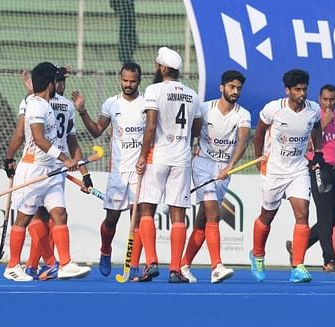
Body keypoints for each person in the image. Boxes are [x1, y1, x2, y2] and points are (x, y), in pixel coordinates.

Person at [3, 62, 91, 281]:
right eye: (55, 80)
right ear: (51, 83)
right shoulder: (35, 105)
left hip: (53, 171)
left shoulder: (48, 103)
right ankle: (12, 266)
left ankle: (66, 263)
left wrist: (69, 163)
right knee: (23, 219)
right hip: (33, 170)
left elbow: (65, 140)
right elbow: (39, 139)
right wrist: (65, 158)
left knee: (59, 214)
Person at [72, 61, 146, 279]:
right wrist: (83, 111)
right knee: (111, 219)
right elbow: (96, 131)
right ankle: (106, 251)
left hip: (140, 172)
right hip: (118, 172)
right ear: (120, 79)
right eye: (125, 80)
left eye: (132, 81)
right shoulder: (111, 103)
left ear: (139, 81)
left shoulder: (146, 104)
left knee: (138, 219)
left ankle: (133, 264)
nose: (128, 85)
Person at [250, 69, 323, 283]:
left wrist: (317, 152)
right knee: (267, 216)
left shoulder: (314, 110)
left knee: (303, 213)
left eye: (304, 89)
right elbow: (260, 132)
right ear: (288, 91)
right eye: (297, 90)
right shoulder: (273, 109)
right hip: (273, 169)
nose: (302, 93)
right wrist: (258, 157)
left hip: (298, 168)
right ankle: (257, 255)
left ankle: (298, 266)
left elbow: (317, 129)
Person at [135, 47, 202, 283]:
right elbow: (196, 128)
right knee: (178, 215)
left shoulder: (154, 90)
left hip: (158, 155)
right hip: (182, 157)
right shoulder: (192, 94)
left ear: (162, 68)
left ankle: (151, 261)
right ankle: (175, 269)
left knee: (147, 209)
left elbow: (151, 126)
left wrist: (142, 155)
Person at [180, 70, 251, 283]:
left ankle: (183, 265)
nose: (235, 91)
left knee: (202, 220)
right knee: (213, 212)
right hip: (202, 164)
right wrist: (191, 150)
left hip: (224, 170)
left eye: (238, 88)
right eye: (231, 87)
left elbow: (243, 141)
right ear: (222, 87)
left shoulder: (243, 114)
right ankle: (216, 266)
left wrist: (229, 166)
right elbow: (192, 132)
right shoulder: (204, 109)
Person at [285, 84, 335, 273]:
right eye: (325, 99)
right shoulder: (314, 116)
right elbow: (307, 145)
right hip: (318, 166)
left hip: (334, 169)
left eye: (332, 99)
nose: (329, 103)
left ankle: (297, 247)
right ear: (319, 99)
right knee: (325, 215)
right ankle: (329, 260)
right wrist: (324, 123)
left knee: (334, 217)